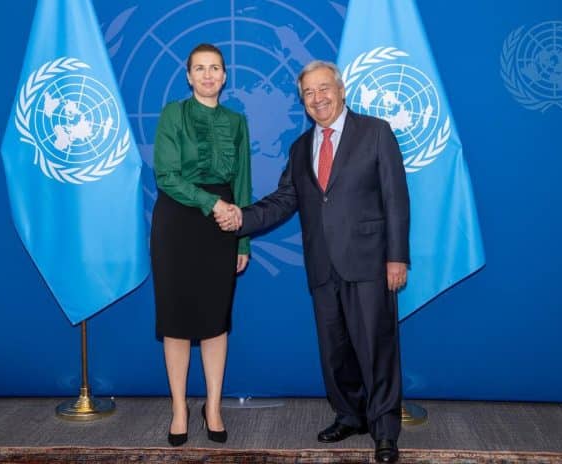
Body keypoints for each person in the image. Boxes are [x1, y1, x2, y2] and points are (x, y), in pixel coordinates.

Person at [216, 60, 408, 463]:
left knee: (376, 347)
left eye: (324, 89)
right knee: (334, 351)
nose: (317, 98)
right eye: (308, 92)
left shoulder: (375, 132)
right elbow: (284, 200)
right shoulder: (301, 147)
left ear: (340, 90)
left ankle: (385, 431)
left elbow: (396, 199)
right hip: (322, 264)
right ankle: (350, 415)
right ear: (302, 101)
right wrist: (241, 219)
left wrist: (397, 257)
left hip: (370, 262)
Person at [150, 43, 251, 446]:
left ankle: (212, 406)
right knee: (176, 321)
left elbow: (242, 180)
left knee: (214, 320)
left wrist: (242, 237)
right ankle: (179, 408)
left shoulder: (238, 121)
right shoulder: (173, 113)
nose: (208, 75)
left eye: (216, 68)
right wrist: (213, 203)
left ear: (225, 76)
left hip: (223, 226)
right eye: (200, 68)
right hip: (177, 221)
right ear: (188, 76)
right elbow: (166, 176)